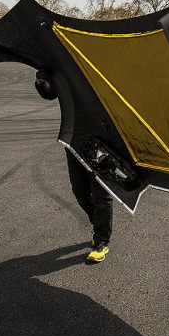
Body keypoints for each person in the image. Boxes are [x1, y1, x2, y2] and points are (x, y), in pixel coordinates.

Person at [35, 68, 113, 262]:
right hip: (74, 137)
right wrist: (42, 79)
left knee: (101, 194)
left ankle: (101, 241)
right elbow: (50, 93)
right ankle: (99, 225)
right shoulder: (62, 63)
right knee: (80, 192)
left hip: (103, 137)